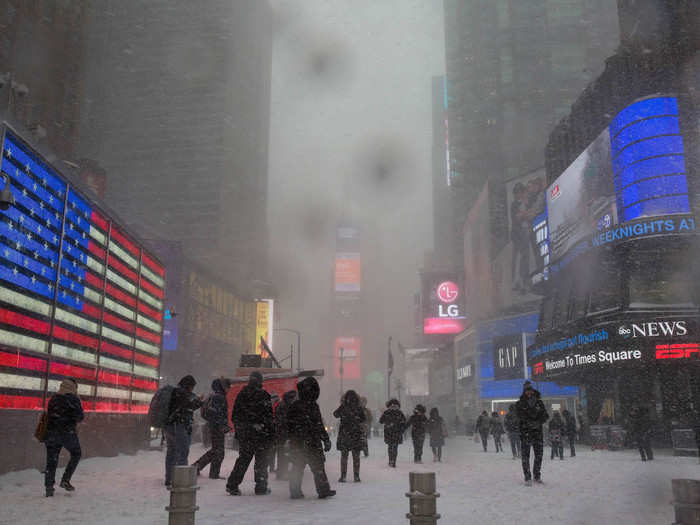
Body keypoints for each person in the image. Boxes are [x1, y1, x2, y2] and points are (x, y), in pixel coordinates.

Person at [226, 371, 275, 495]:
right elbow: (268, 417)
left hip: (246, 435)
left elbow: (235, 416)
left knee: (243, 460)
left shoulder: (242, 395)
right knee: (261, 461)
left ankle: (232, 485)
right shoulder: (264, 395)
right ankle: (261, 486)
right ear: (260, 381)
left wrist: (244, 428)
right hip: (261, 435)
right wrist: (269, 432)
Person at [287, 377, 335, 499]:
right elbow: (319, 424)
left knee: (298, 466)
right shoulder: (313, 406)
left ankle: (295, 490)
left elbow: (289, 425)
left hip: (298, 442)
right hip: (312, 441)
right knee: (318, 467)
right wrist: (326, 439)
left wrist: (291, 438)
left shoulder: (294, 406)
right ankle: (323, 489)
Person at [44, 378, 84, 497]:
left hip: (51, 433)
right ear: (73, 387)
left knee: (51, 460)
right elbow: (80, 417)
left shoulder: (54, 398)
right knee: (76, 453)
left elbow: (50, 414)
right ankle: (65, 480)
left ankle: (49, 488)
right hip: (67, 433)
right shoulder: (73, 399)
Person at [165, 375, 203, 488]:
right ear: (188, 385)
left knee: (172, 451)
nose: (192, 389)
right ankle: (181, 479)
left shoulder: (175, 392)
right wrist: (200, 402)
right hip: (179, 425)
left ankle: (169, 477)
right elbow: (187, 407)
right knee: (183, 452)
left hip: (170, 425)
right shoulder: (182, 393)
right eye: (192, 386)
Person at [192, 378, 231, 479]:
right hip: (217, 428)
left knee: (216, 450)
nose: (229, 389)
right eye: (228, 386)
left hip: (214, 427)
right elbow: (217, 414)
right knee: (218, 451)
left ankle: (198, 467)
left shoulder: (214, 395)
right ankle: (209, 472)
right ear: (223, 387)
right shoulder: (219, 397)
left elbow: (215, 413)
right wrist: (222, 425)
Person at [516, 380, 549, 485]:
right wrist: (528, 423)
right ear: (524, 391)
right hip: (526, 432)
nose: (529, 392)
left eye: (530, 390)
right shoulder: (520, 403)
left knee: (539, 455)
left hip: (537, 432)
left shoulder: (539, 402)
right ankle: (527, 477)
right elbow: (519, 417)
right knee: (526, 456)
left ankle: (537, 475)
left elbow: (545, 415)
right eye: (527, 390)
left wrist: (538, 422)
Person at [333, 390, 366, 482]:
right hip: (356, 434)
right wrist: (356, 419)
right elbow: (363, 418)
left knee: (344, 457)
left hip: (345, 434)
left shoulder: (344, 407)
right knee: (356, 457)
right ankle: (356, 476)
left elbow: (335, 414)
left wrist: (343, 406)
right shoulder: (358, 408)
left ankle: (343, 476)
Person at [274, 390, 297, 480]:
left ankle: (281, 472)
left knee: (282, 454)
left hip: (281, 434)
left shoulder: (282, 405)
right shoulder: (285, 406)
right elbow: (283, 421)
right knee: (284, 454)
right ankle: (282, 473)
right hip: (284, 434)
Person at [379, 398, 406, 468]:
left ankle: (392, 460)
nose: (393, 407)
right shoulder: (398, 413)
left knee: (391, 447)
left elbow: (381, 421)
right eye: (392, 405)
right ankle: (392, 460)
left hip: (392, 433)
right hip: (393, 433)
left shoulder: (388, 412)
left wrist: (387, 423)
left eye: (395, 405)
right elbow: (381, 421)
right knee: (393, 447)